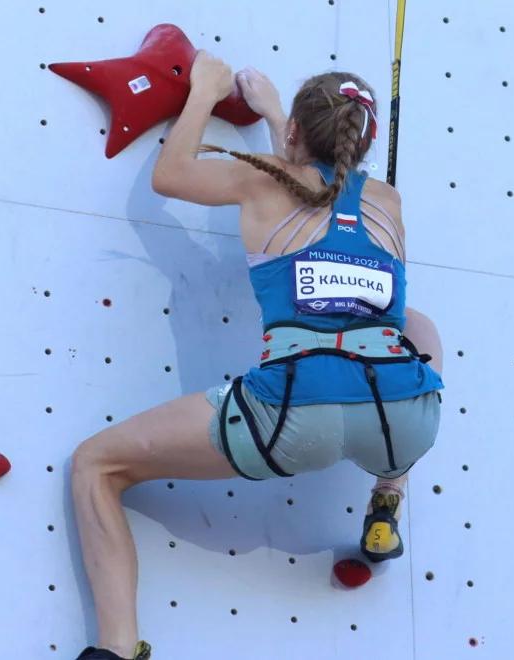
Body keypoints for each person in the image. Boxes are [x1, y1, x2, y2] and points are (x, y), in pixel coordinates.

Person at [71, 51, 445, 660]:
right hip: (404, 423)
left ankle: (115, 647)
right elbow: (317, 196)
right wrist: (277, 115)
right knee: (417, 326)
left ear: (295, 135)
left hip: (294, 416)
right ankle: (388, 496)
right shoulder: (389, 202)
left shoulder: (259, 178)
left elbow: (173, 176)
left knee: (96, 466)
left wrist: (205, 91)